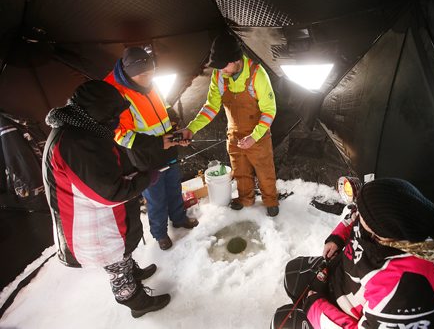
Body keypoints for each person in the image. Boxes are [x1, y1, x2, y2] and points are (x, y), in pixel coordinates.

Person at [42, 80, 170, 318]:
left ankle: (133, 272)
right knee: (115, 263)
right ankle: (136, 301)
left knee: (121, 254)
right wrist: (146, 179)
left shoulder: (82, 128)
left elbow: (104, 170)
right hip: (89, 224)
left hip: (97, 215)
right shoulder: (76, 143)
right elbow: (109, 193)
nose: (116, 121)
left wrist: (136, 172)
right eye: (112, 116)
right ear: (98, 113)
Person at [273, 178, 434, 329]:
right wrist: (338, 237)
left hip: (350, 312)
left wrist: (315, 307)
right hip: (341, 277)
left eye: (363, 214)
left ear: (382, 235)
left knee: (282, 321)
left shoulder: (406, 286)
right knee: (292, 273)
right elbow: (355, 215)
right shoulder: (382, 221)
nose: (357, 212)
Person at [104, 47, 198, 251]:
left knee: (174, 188)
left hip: (168, 149)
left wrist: (176, 129)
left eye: (150, 72)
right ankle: (160, 234)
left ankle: (179, 218)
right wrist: (158, 143)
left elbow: (164, 106)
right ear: (130, 73)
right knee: (155, 198)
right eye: (143, 75)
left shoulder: (150, 83)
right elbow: (122, 135)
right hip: (147, 156)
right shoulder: (117, 95)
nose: (148, 78)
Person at [179, 33, 279, 217]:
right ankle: (245, 199)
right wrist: (191, 128)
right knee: (240, 171)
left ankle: (271, 200)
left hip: (258, 134)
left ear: (236, 60)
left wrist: (255, 136)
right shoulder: (219, 75)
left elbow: (269, 110)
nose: (220, 70)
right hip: (234, 134)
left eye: (223, 65)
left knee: (265, 171)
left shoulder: (257, 74)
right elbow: (211, 107)